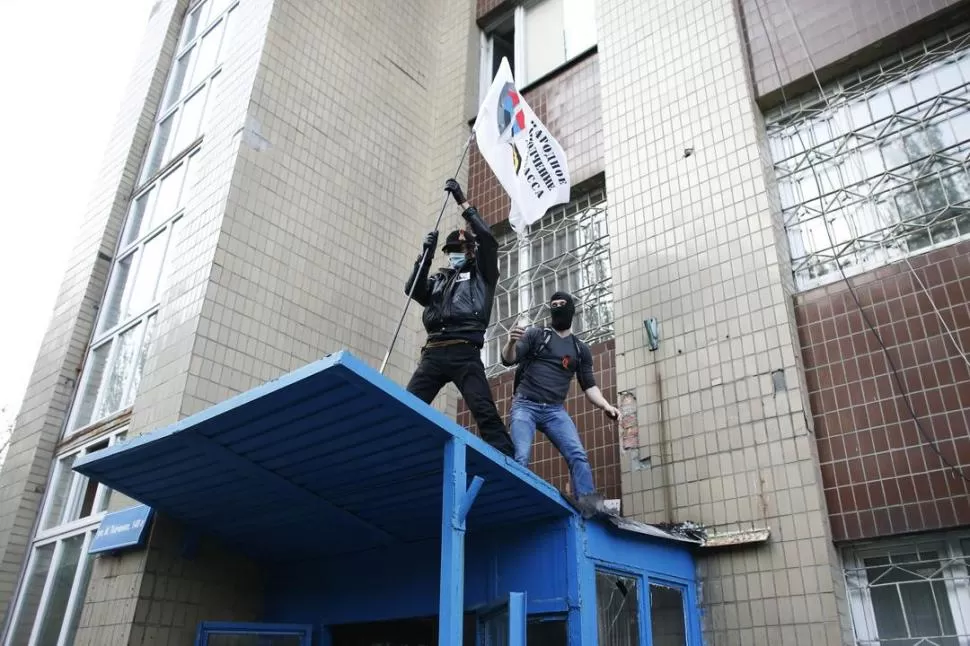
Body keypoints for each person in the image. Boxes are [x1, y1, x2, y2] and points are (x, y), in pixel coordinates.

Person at [404, 178, 515, 457]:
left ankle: (506, 459)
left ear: (470, 251)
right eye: (449, 252)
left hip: (465, 351)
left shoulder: (483, 274)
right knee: (407, 404)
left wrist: (463, 203)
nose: (453, 256)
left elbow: (488, 240)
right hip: (433, 352)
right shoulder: (439, 278)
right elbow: (413, 290)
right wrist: (424, 258)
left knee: (483, 409)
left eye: (459, 251)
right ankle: (398, 450)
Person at [500, 291, 620, 517]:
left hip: (554, 411)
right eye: (552, 305)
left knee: (578, 455)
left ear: (571, 309)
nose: (557, 308)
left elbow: (589, 385)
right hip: (525, 405)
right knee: (521, 456)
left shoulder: (579, 349)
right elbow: (509, 358)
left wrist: (606, 405)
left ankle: (589, 507)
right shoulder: (538, 335)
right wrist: (511, 341)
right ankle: (515, 504)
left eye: (561, 304)